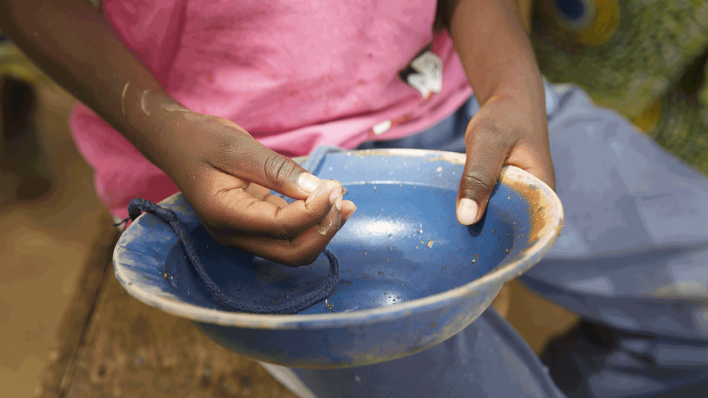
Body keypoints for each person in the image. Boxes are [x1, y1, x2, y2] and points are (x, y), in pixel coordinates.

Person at [0, 0, 554, 267]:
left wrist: (511, 83)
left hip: (456, 94)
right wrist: (162, 127)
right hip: (236, 166)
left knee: (641, 260)